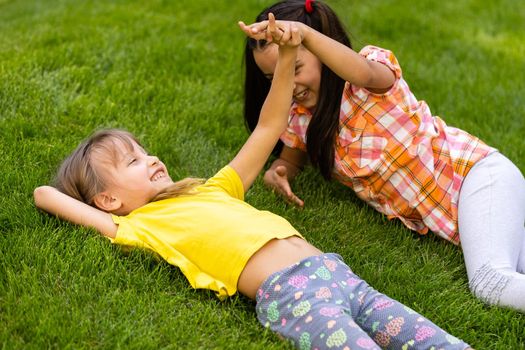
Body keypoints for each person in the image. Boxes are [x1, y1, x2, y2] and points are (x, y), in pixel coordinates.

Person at [34, 18, 470, 350]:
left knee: (438, 342)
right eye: (132, 160)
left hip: (341, 274)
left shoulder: (213, 189)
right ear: (108, 199)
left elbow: (269, 127)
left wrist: (287, 52)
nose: (151, 159)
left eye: (144, 151)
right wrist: (80, 198)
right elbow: (46, 195)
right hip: (292, 294)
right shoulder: (140, 229)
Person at [239, 0, 525, 312]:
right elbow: (290, 160)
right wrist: (278, 171)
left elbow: (361, 72)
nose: (289, 85)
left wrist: (303, 33)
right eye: (274, 77)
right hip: (462, 212)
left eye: (295, 67)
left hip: (475, 177)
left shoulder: (367, 79)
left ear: (320, 50)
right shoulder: (300, 119)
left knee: (491, 282)